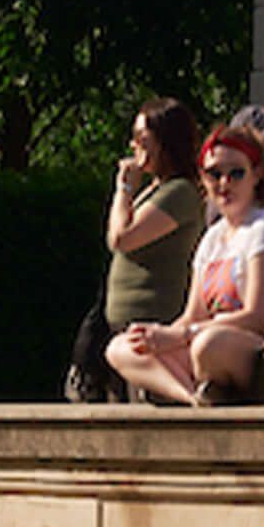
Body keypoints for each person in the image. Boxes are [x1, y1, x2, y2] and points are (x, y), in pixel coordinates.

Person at [107, 123, 264, 407]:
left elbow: (256, 318)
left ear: (257, 174)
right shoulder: (212, 238)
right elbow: (193, 315)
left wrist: (181, 335)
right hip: (219, 344)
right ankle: (191, 397)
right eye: (214, 174)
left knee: (207, 345)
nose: (224, 184)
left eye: (236, 173)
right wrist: (156, 337)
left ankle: (197, 389)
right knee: (122, 347)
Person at [69, 99, 203, 399]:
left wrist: (125, 189)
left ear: (165, 141)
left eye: (142, 138)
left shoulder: (179, 192)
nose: (133, 145)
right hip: (122, 324)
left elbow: (122, 237)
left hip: (152, 323)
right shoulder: (156, 189)